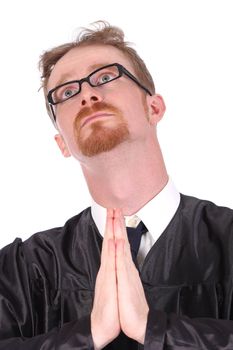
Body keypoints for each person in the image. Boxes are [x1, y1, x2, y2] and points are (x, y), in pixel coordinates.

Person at [0, 20, 233, 350]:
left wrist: (155, 329)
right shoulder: (24, 271)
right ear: (62, 143)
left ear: (153, 107)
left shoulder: (228, 243)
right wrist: (88, 335)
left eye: (106, 76)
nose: (88, 94)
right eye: (67, 92)